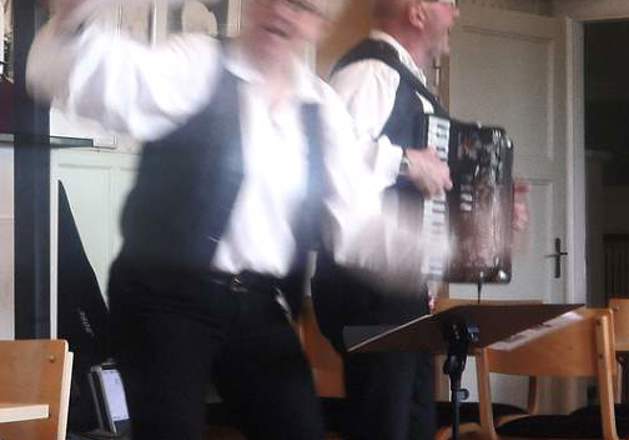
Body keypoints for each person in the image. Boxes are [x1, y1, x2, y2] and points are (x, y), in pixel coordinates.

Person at [27, 0, 423, 439]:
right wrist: (76, 20)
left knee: (298, 428)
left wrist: (449, 250)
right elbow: (117, 81)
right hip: (165, 297)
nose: (283, 12)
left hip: (257, 302)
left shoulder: (319, 109)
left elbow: (359, 223)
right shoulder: (199, 64)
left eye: (301, 6)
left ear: (320, 24)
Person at [313, 0, 527, 438]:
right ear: (416, 11)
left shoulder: (405, 81)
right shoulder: (371, 74)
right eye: (449, 3)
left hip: (399, 294)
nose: (457, 14)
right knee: (385, 429)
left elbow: (425, 195)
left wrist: (492, 219)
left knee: (411, 427)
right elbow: (329, 162)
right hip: (368, 291)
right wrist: (407, 163)